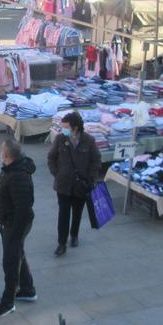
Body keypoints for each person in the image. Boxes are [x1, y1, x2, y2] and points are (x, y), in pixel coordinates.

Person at [47, 110, 102, 256]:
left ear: (75, 127)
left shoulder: (88, 141)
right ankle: (61, 243)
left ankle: (74, 235)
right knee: (63, 215)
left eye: (65, 126)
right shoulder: (60, 139)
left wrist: (91, 177)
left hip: (81, 185)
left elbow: (96, 160)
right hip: (63, 184)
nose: (62, 129)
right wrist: (56, 173)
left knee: (77, 212)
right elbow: (51, 157)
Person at [0, 139, 36, 317]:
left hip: (14, 225)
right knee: (18, 254)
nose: (0, 153)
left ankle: (7, 302)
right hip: (10, 223)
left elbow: (23, 209)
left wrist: (14, 232)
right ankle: (27, 289)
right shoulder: (12, 169)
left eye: (1, 151)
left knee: (10, 262)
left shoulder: (17, 175)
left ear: (7, 155)